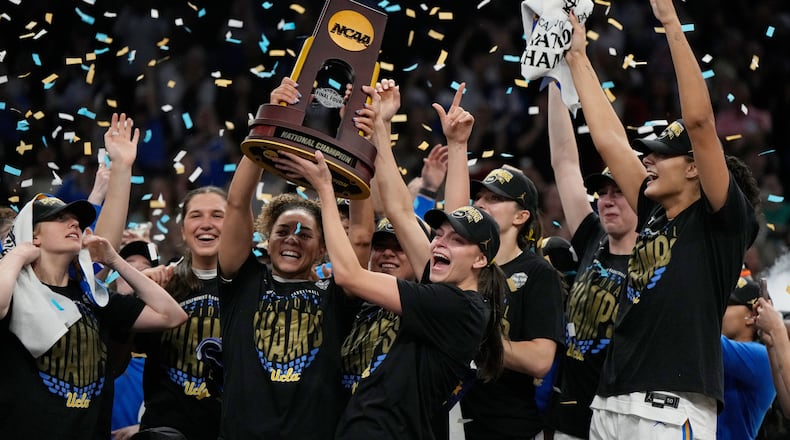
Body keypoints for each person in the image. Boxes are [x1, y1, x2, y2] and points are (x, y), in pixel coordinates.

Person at [565, 0, 759, 437]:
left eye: (661, 155)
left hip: (670, 412)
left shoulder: (721, 225)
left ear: (695, 167)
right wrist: (577, 57)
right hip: (610, 402)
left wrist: (671, 22)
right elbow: (610, 138)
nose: (647, 160)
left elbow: (699, 121)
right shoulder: (655, 212)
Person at [273, 79, 507, 436]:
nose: (440, 242)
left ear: (480, 261)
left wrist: (324, 188)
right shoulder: (444, 286)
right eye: (439, 234)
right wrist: (380, 127)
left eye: (455, 240)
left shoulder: (458, 306)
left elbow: (350, 275)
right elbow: (398, 208)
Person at [215, 78, 368, 439]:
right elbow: (237, 204)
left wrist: (358, 138)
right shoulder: (243, 281)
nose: (292, 240)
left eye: (305, 234)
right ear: (266, 241)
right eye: (283, 231)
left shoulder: (336, 294)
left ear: (323, 249)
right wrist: (271, 123)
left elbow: (361, 235)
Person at [0, 193, 187, 439]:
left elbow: (171, 316)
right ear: (33, 235)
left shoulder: (96, 298)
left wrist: (114, 260)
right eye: (60, 218)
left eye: (77, 219)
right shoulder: (15, 291)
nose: (74, 223)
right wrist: (18, 254)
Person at [439, 82, 565, 438]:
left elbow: (541, 359)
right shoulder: (468, 262)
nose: (481, 205)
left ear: (521, 216)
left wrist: (476, 337)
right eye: (480, 197)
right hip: (454, 421)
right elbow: (457, 216)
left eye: (495, 199)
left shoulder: (537, 273)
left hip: (509, 428)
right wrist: (457, 145)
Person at [546, 80, 638, 439]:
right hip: (571, 413)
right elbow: (565, 162)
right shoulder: (593, 238)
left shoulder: (657, 256)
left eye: (619, 193)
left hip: (624, 418)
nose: (607, 200)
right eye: (602, 193)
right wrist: (554, 81)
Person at [132, 186, 227, 440]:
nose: (206, 224)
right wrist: (139, 291)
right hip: (168, 428)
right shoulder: (161, 286)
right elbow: (120, 354)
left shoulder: (254, 286)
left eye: (217, 215)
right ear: (183, 230)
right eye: (196, 215)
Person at [718, 277, 775, 439]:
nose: (719, 308)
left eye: (727, 303)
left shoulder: (762, 357)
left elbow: (704, 338)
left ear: (752, 315)